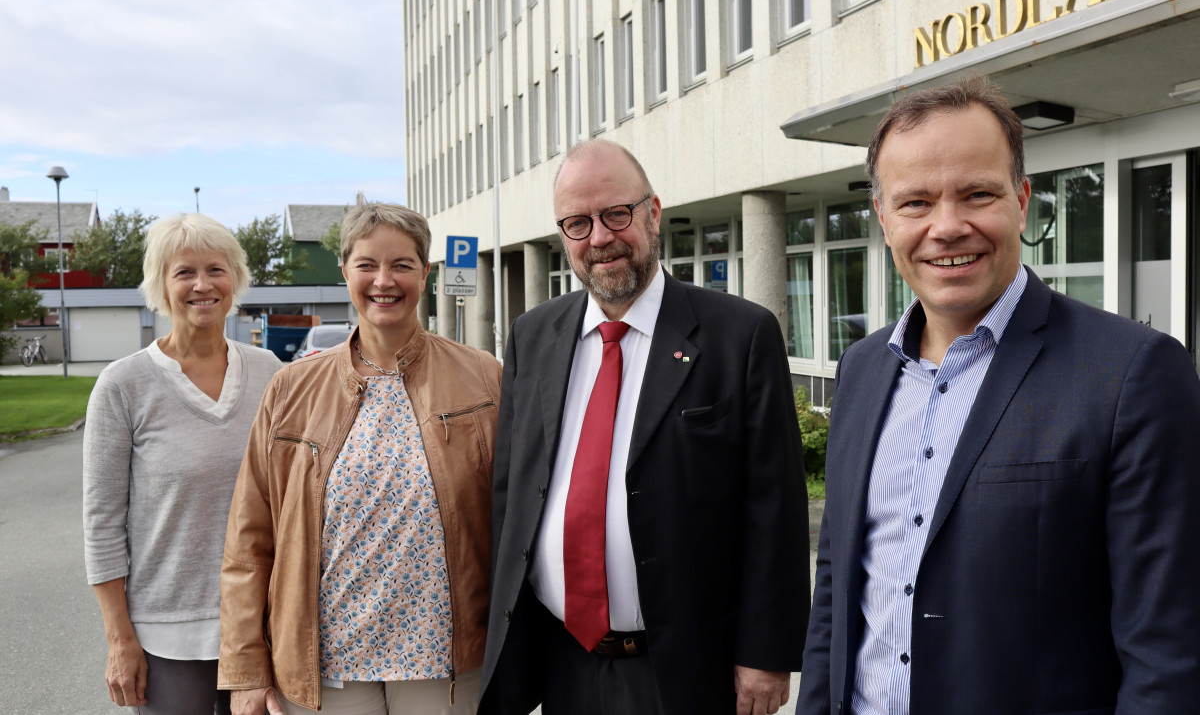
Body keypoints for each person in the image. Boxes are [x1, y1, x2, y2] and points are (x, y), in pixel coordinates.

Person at [797, 77, 1200, 715]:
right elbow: (837, 593)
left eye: (977, 194)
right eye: (915, 203)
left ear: (1021, 200)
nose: (947, 227)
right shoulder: (862, 370)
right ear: (882, 218)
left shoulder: (1133, 374)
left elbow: (1169, 655)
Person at [479, 140, 810, 715]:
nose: (600, 238)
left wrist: (766, 652)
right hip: (563, 660)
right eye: (578, 224)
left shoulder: (740, 336)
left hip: (686, 669)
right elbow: (511, 491)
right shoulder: (533, 336)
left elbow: (773, 507)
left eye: (616, 214)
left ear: (653, 213)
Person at [218, 195, 502, 715]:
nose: (383, 280)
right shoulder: (291, 389)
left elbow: (518, 514)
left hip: (446, 661)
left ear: (426, 273)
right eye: (367, 264)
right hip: (326, 663)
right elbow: (248, 540)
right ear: (346, 270)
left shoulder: (483, 377)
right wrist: (246, 671)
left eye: (402, 265)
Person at [83, 213, 283, 713]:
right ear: (160, 286)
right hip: (166, 632)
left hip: (262, 622)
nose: (202, 285)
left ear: (235, 279)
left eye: (216, 269)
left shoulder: (270, 374)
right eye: (184, 272)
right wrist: (119, 639)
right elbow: (102, 523)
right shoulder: (123, 385)